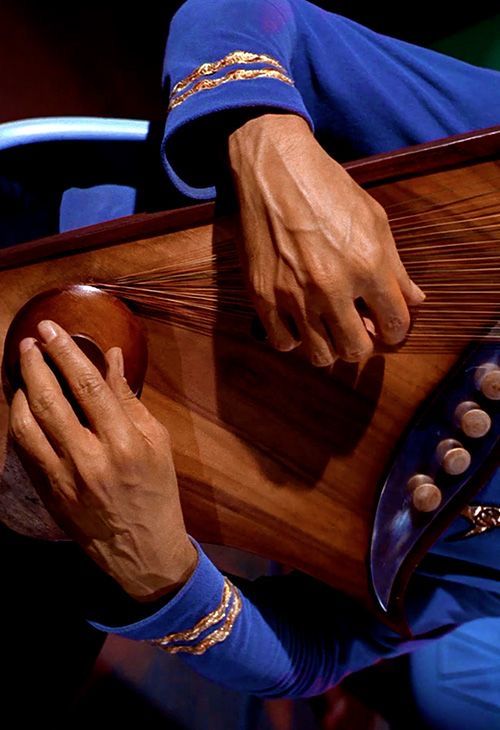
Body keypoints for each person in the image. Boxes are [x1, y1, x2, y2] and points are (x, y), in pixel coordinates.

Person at [6, 0, 500, 709]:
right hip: (39, 252)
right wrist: (267, 133)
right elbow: (252, 14)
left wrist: (167, 574)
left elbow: (320, 655)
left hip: (52, 526)